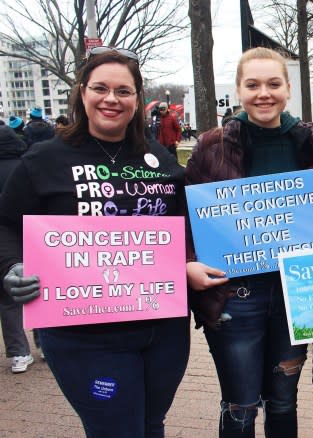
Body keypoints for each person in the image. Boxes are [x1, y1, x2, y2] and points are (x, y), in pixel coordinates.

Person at [0, 48, 188, 437]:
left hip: (162, 331)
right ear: (82, 93)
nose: (111, 99)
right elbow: (4, 225)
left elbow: (188, 227)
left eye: (124, 90)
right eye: (100, 88)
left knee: (151, 426)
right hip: (84, 335)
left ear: (137, 99)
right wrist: (10, 267)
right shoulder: (44, 159)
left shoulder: (159, 158)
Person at [184, 47, 313, 438]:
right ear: (238, 91)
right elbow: (184, 216)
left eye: (273, 84)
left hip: (296, 293)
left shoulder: (311, 143)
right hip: (235, 296)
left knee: (283, 401)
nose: (264, 93)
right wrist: (188, 263)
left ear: (288, 89)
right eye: (253, 85)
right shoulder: (212, 146)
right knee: (240, 404)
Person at [0, 125, 34, 374]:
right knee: (39, 287)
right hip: (34, 236)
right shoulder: (27, 166)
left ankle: (19, 352)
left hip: (6, 243)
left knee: (9, 299)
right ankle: (42, 344)